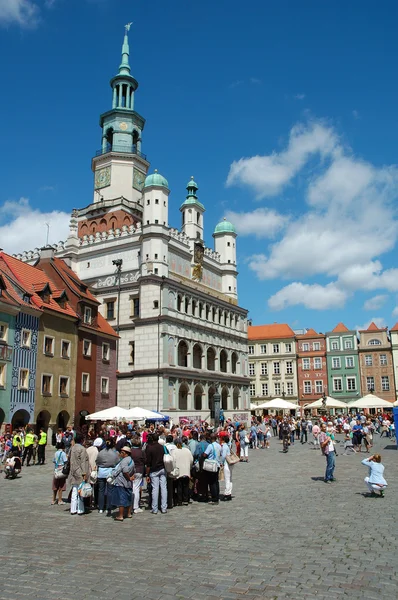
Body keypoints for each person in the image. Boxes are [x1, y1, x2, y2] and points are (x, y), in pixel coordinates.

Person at [96, 437, 119, 515]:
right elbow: (116, 462)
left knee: (101, 491)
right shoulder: (114, 453)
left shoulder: (101, 452)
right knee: (110, 491)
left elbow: (97, 461)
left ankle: (101, 508)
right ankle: (108, 507)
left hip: (101, 472)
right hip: (110, 472)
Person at [145, 433, 167, 514]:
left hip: (154, 470)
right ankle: (164, 507)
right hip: (162, 468)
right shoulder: (162, 447)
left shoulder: (150, 448)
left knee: (155, 489)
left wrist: (147, 474)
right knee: (164, 488)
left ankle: (155, 508)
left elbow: (148, 463)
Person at [111, 446, 135, 521]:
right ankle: (128, 513)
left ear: (124, 453)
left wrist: (129, 478)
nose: (120, 454)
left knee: (121, 498)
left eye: (121, 452)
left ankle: (120, 515)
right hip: (127, 483)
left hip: (122, 482)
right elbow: (134, 470)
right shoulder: (131, 460)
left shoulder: (124, 461)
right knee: (128, 497)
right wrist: (131, 477)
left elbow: (125, 471)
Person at [68, 433, 90, 515]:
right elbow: (83, 462)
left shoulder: (72, 448)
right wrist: (84, 473)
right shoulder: (82, 449)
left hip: (73, 471)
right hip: (80, 472)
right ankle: (80, 509)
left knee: (74, 490)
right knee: (81, 491)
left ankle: (73, 509)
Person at [203, 433, 222, 504]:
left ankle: (214, 498)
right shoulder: (219, 445)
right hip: (217, 465)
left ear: (211, 439)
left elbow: (205, 454)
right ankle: (217, 496)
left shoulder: (210, 446)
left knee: (212, 483)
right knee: (216, 481)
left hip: (211, 466)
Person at [174, 438, 193, 506]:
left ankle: (180, 500)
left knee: (179, 486)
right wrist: (189, 467)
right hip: (186, 470)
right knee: (186, 485)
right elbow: (191, 460)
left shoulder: (174, 451)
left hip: (179, 471)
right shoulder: (187, 450)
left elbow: (173, 461)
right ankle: (186, 500)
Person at [130, 436, 146, 514]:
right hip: (139, 470)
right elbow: (145, 461)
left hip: (131, 471)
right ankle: (135, 506)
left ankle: (130, 505)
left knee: (131, 487)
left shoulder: (130, 451)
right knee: (136, 488)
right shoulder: (141, 451)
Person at [220, 434, 233, 501]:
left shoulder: (224, 446)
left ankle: (227, 494)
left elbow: (223, 456)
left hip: (226, 463)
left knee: (227, 479)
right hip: (230, 463)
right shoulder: (228, 445)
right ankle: (229, 492)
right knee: (230, 478)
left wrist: (221, 463)